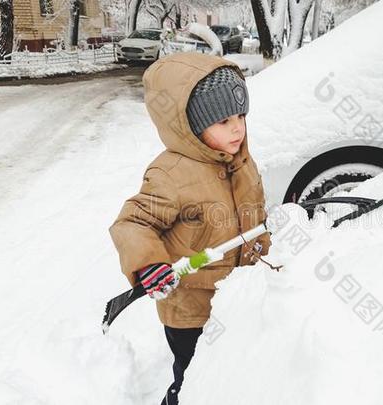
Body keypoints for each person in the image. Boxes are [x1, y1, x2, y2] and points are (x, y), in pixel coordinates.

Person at [108, 52, 271, 405]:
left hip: (241, 297)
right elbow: (133, 222)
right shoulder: (170, 175)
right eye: (223, 120)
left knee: (233, 371)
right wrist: (148, 264)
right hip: (191, 311)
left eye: (241, 115)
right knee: (194, 376)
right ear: (191, 127)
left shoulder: (241, 160)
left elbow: (255, 215)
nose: (237, 128)